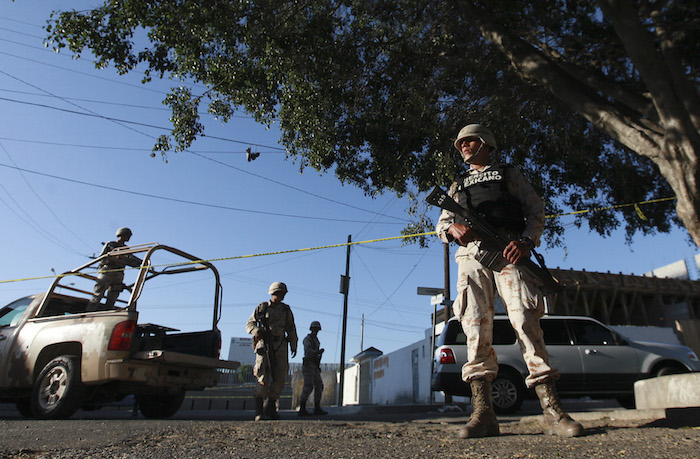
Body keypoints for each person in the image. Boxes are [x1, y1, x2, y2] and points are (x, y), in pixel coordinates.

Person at [435, 124, 584, 438]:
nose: (462, 145)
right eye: (460, 142)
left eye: (469, 140)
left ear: (487, 143)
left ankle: (552, 410)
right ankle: (483, 414)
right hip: (472, 258)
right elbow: (443, 224)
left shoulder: (509, 174)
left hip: (510, 253)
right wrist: (452, 231)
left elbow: (535, 209)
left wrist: (527, 242)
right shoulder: (457, 184)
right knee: (475, 329)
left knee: (526, 322)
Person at [246, 282, 298, 421]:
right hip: (264, 345)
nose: (283, 295)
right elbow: (250, 324)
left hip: (280, 345)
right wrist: (256, 331)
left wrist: (293, 344)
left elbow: (291, 328)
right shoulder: (262, 307)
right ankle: (259, 411)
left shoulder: (285, 310)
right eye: (280, 292)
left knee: (280, 377)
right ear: (274, 292)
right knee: (262, 377)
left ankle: (270, 407)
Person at [87, 227, 142, 311]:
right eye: (128, 235)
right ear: (122, 234)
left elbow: (131, 259)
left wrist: (141, 262)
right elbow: (102, 257)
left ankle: (107, 312)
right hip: (108, 270)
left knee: (113, 295)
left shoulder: (126, 248)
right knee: (99, 293)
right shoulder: (111, 244)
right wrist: (113, 259)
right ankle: (89, 311)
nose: (129, 237)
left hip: (118, 274)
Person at [298, 320, 327, 416]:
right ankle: (302, 408)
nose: (316, 330)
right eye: (315, 329)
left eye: (317, 329)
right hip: (308, 364)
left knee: (319, 385)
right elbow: (308, 351)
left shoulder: (316, 340)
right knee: (308, 386)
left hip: (314, 365)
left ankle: (317, 407)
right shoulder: (307, 339)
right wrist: (317, 352)